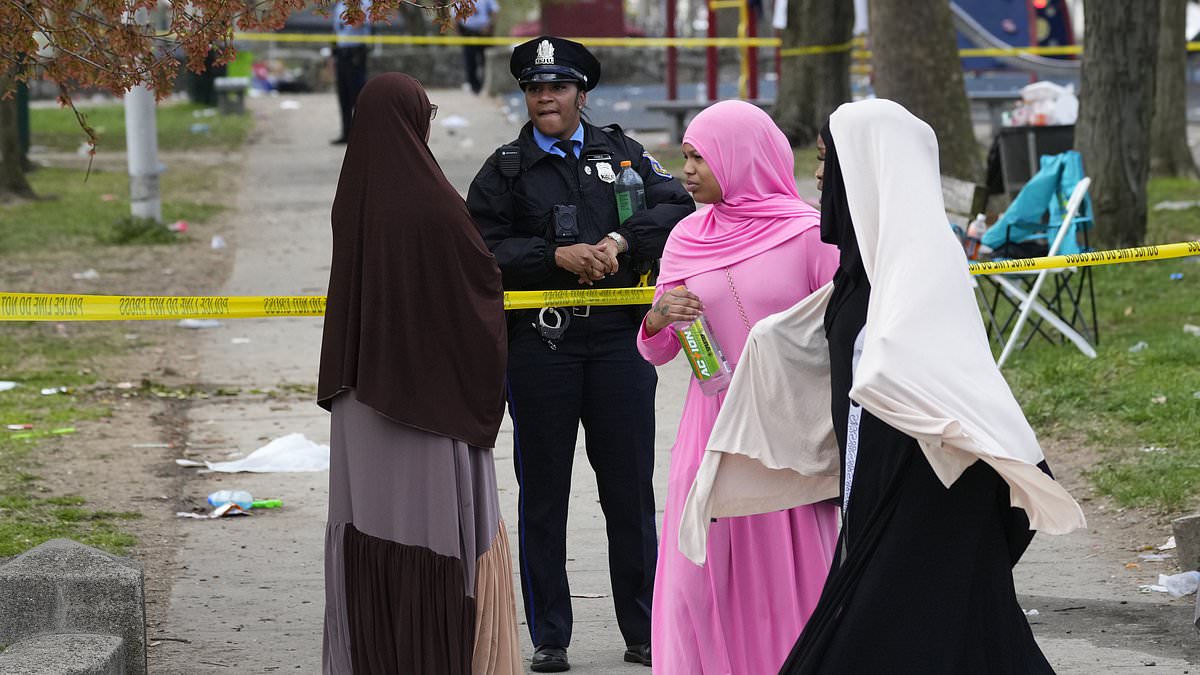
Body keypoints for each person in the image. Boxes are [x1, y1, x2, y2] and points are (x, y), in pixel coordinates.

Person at [676, 98, 1087, 673]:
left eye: (827, 159)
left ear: (867, 167)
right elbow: (827, 331)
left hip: (925, 484)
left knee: (873, 632)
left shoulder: (917, 264)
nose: (818, 175)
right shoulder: (864, 263)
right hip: (881, 477)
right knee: (960, 628)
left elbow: (929, 366)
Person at [467, 36, 695, 673]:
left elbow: (678, 205)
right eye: (536, 89)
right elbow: (478, 247)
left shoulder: (621, 154)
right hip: (543, 345)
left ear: (580, 94)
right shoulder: (505, 169)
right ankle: (550, 636)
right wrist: (552, 256)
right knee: (544, 494)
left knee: (627, 492)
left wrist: (620, 241)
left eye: (558, 88)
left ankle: (644, 631)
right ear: (526, 96)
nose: (546, 97)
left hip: (621, 344)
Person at [318, 72, 521, 675]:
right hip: (427, 403)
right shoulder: (432, 201)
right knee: (429, 532)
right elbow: (480, 285)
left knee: (369, 526)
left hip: (362, 397)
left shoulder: (352, 192)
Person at [637, 100, 840, 675]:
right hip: (710, 427)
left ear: (740, 157)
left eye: (701, 157)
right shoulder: (684, 237)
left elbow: (841, 329)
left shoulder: (808, 233)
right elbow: (658, 349)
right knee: (699, 582)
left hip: (785, 428)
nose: (688, 170)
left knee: (787, 573)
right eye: (686, 157)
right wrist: (655, 320)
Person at [330, 1, 370, 144]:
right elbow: (336, 31)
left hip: (356, 54)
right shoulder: (340, 4)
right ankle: (346, 133)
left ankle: (362, 135)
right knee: (343, 95)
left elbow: (358, 23)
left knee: (358, 95)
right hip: (342, 53)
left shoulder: (364, 2)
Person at [457, 0, 499, 95]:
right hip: (467, 32)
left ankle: (485, 86)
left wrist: (490, 26)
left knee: (486, 61)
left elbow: (494, 11)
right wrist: (458, 32)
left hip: (484, 33)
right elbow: (455, 15)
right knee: (470, 61)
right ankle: (474, 87)